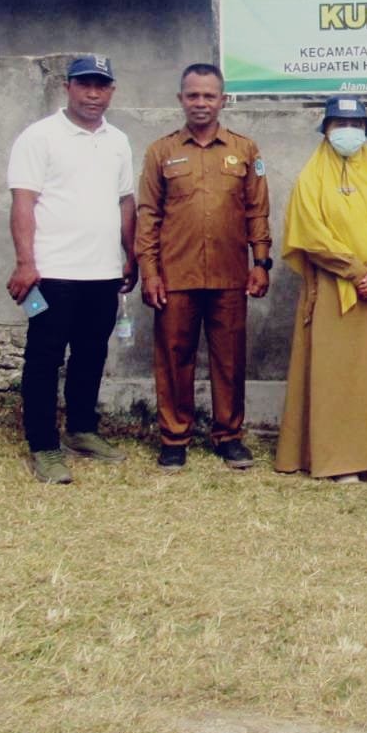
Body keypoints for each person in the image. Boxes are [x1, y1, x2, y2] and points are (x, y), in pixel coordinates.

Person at [6, 55, 137, 483]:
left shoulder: (118, 141)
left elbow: (125, 202)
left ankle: (80, 429)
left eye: (102, 85)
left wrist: (130, 254)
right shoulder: (40, 136)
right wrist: (26, 262)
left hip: (102, 272)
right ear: (68, 87)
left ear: (112, 91)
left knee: (91, 353)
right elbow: (23, 202)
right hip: (52, 273)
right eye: (85, 84)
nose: (93, 94)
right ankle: (43, 446)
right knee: (44, 357)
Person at [135, 64, 271, 471]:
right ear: (181, 99)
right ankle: (174, 438)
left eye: (209, 96)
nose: (201, 103)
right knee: (174, 357)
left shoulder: (245, 149)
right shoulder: (161, 151)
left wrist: (261, 262)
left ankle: (229, 436)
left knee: (229, 359)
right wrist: (149, 271)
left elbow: (257, 211)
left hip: (230, 275)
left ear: (223, 100)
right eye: (193, 95)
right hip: (176, 275)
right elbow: (148, 215)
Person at [275, 97, 367, 483]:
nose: (349, 131)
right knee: (337, 375)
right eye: (340, 123)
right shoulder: (310, 178)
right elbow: (310, 237)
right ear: (326, 129)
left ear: (365, 130)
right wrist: (356, 272)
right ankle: (338, 459)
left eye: (356, 124)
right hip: (336, 288)